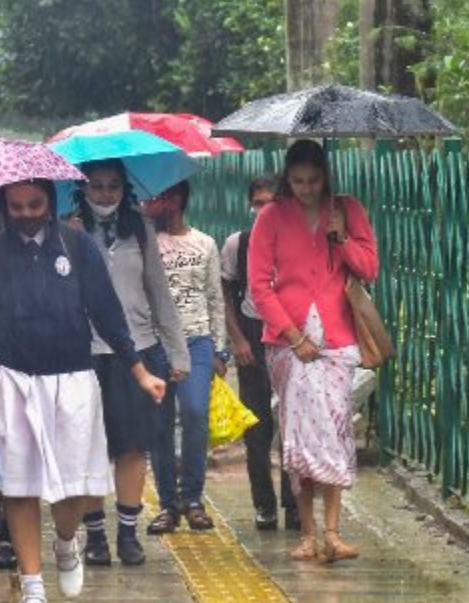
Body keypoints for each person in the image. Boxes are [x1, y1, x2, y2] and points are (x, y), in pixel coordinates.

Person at [0, 178, 167, 603]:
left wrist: (140, 372)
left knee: (73, 486)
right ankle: (33, 587)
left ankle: (67, 541)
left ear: (50, 202)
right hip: (9, 377)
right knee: (19, 487)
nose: (25, 214)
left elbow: (107, 313)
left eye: (34, 204)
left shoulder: (77, 246)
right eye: (16, 206)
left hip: (72, 377)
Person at [248, 139, 378, 562]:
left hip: (337, 340)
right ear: (287, 178)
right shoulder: (271, 217)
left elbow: (370, 268)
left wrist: (342, 238)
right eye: (298, 181)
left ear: (325, 177)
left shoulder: (347, 210)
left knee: (334, 429)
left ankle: (333, 531)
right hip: (289, 344)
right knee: (301, 434)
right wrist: (294, 337)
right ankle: (307, 532)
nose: (306, 189)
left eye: (314, 180)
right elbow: (259, 286)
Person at [71, 160, 190, 567]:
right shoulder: (69, 230)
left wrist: (177, 352)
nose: (105, 194)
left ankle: (127, 533)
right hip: (84, 352)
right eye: (97, 186)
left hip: (137, 350)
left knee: (133, 446)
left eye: (113, 186)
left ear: (125, 188)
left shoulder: (140, 228)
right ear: (83, 188)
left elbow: (158, 292)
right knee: (89, 447)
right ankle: (95, 535)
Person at [146, 180, 227, 532]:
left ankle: (193, 497)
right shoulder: (145, 243)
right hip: (155, 343)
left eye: (168, 195)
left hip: (197, 340)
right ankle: (167, 504)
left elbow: (214, 296)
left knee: (195, 413)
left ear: (180, 199)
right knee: (159, 423)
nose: (162, 202)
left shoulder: (205, 243)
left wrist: (220, 348)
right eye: (156, 196)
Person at [220, 178, 300, 531]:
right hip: (252, 334)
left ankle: (295, 503)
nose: (264, 210)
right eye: (258, 203)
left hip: (290, 335)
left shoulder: (297, 241)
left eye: (271, 202)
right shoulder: (238, 244)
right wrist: (237, 339)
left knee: (293, 424)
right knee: (256, 426)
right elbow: (224, 292)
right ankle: (264, 504)